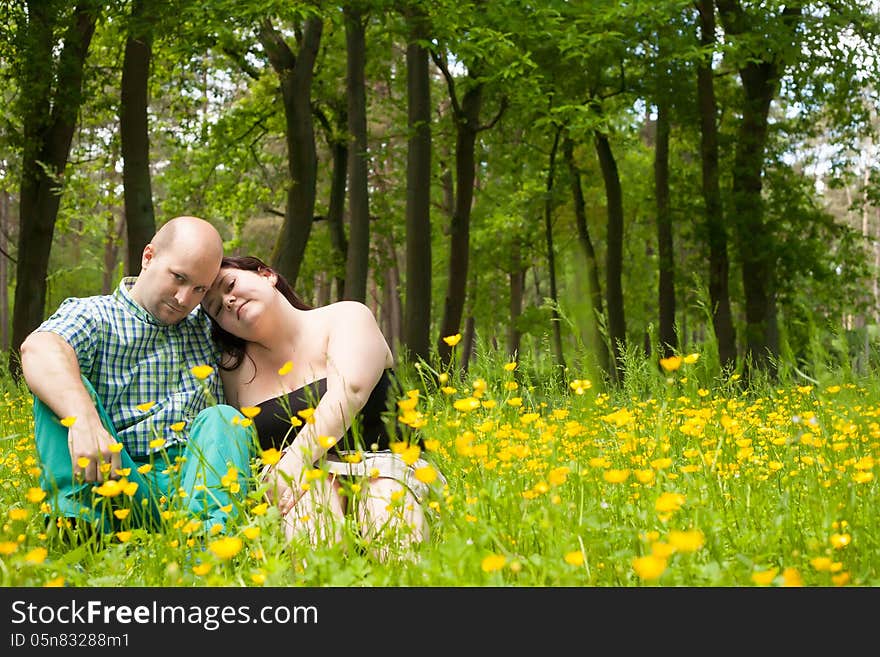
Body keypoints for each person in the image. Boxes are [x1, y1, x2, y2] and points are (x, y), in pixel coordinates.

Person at [20, 216, 253, 537]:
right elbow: (39, 348)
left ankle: (207, 544)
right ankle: (79, 527)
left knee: (224, 417)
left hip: (191, 485)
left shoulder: (210, 323)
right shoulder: (94, 315)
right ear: (148, 257)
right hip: (116, 479)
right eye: (178, 278)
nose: (185, 299)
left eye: (199, 288)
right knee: (62, 386)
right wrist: (83, 419)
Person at [202, 255, 445, 558]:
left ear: (267, 275)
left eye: (230, 285)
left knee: (388, 527)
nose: (227, 301)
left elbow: (351, 390)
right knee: (315, 546)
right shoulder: (232, 371)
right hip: (301, 485)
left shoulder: (346, 317)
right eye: (214, 307)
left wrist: (292, 463)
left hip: (383, 464)